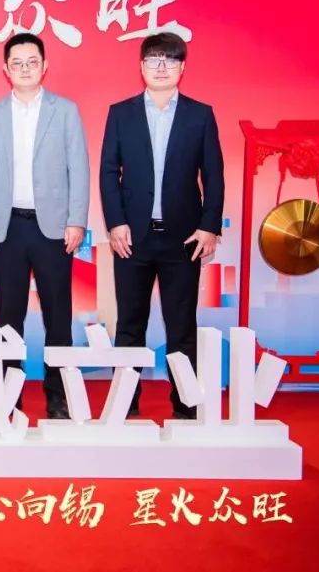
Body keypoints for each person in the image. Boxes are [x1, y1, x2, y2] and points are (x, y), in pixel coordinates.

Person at [100, 32, 224, 420]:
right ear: (141, 66)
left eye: (169, 60)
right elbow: (108, 172)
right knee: (129, 324)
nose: (161, 67)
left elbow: (214, 175)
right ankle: (126, 405)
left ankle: (185, 407)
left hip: (183, 240)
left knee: (182, 326)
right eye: (153, 60)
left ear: (182, 68)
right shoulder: (121, 113)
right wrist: (116, 223)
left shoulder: (199, 115)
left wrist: (209, 226)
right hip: (131, 239)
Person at [0, 32, 89, 419]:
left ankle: (58, 394)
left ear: (44, 66)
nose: (25, 69)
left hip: (53, 228)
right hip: (8, 227)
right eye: (17, 63)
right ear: (6, 70)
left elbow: (79, 169)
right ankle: (10, 395)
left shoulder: (65, 111)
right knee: (9, 317)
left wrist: (76, 220)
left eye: (32, 62)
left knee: (58, 314)